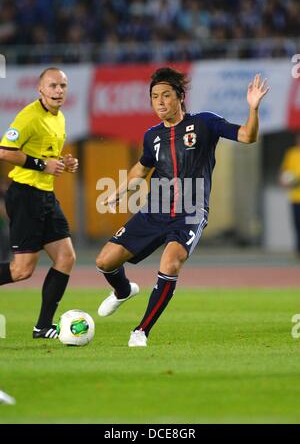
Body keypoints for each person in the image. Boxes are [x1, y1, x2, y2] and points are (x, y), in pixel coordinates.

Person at [96, 67, 269, 347]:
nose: (160, 102)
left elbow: (248, 136)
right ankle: (123, 290)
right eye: (154, 97)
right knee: (105, 261)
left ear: (180, 97)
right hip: (155, 210)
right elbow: (141, 170)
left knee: (171, 261)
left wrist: (253, 108)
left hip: (190, 212)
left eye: (166, 95)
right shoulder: (151, 136)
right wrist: (117, 192)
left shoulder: (204, 123)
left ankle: (141, 331)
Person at [0, 67, 78, 339]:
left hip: (45, 195)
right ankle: (43, 326)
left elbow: (48, 156)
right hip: (25, 195)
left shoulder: (59, 118)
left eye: (63, 86)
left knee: (66, 257)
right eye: (53, 86)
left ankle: (43, 326)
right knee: (22, 270)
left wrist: (65, 163)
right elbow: (5, 151)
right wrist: (42, 164)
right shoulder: (29, 116)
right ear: (40, 89)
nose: (58, 91)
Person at [279, 134, 300, 256]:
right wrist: (284, 181)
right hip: (295, 197)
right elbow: (283, 171)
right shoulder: (291, 153)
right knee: (297, 224)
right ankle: (298, 250)